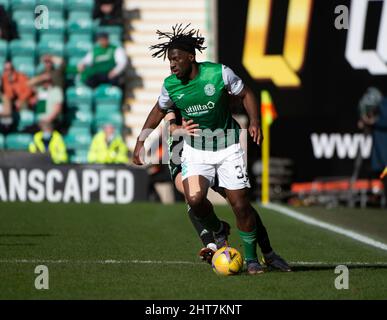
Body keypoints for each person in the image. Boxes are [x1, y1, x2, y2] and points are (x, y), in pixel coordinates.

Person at [133, 24, 291, 274]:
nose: (172, 65)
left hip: (228, 147)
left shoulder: (219, 73)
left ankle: (253, 260)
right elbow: (159, 110)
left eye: (175, 59)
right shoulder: (171, 85)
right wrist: (141, 141)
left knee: (240, 204)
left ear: (190, 57)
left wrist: (254, 121)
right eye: (169, 61)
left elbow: (246, 93)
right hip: (196, 152)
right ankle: (217, 230)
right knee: (194, 199)